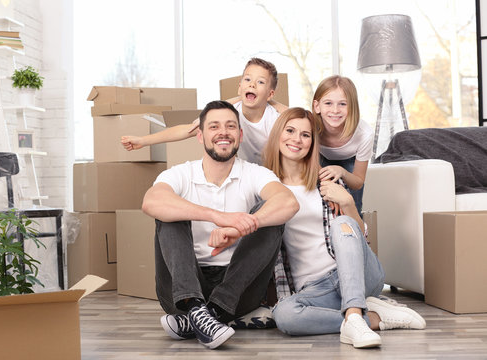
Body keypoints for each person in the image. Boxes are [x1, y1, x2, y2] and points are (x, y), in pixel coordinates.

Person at [141, 100, 299, 350]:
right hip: (182, 285)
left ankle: (202, 316)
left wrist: (242, 227)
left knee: (270, 216)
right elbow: (151, 201)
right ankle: (194, 306)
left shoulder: (255, 173)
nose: (223, 132)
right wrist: (218, 216)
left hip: (237, 290)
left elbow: (288, 202)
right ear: (200, 135)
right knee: (169, 213)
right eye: (214, 126)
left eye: (230, 126)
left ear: (240, 134)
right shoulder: (181, 173)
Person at [264, 107, 426, 348]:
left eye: (305, 135)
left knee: (342, 223)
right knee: (284, 316)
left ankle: (353, 312)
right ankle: (369, 316)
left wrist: (348, 202)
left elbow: (356, 235)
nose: (296, 139)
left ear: (312, 143)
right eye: (290, 131)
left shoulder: (327, 180)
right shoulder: (266, 187)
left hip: (358, 273)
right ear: (278, 134)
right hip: (315, 289)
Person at [122, 57, 287, 165]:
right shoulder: (229, 112)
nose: (252, 84)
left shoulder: (276, 118)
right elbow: (186, 130)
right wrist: (143, 141)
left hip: (277, 173)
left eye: (260, 82)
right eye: (248, 79)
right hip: (249, 174)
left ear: (270, 94)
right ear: (239, 88)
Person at [312, 75, 373, 215]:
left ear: (352, 107)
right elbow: (312, 163)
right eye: (328, 103)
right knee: (321, 200)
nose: (335, 110)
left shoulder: (364, 134)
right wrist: (329, 183)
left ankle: (355, 233)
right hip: (318, 158)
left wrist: (342, 172)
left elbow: (358, 181)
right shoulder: (310, 126)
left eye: (342, 104)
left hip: (350, 161)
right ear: (317, 106)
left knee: (351, 203)